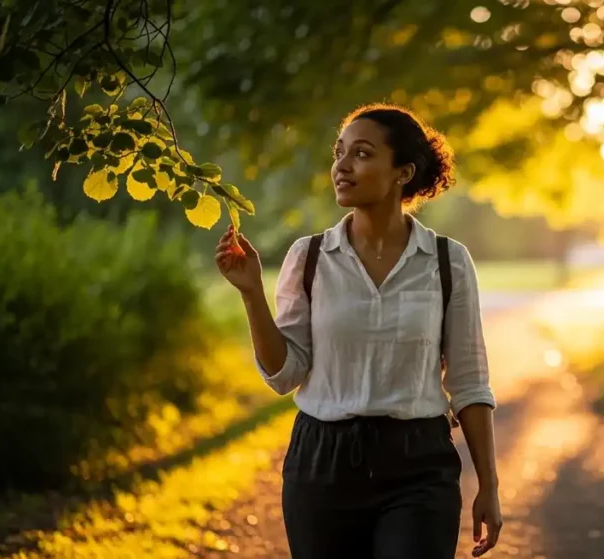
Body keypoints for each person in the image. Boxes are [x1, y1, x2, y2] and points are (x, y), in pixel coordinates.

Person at [215, 103, 502, 558]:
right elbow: (285, 374)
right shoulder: (308, 257)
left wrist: (489, 485)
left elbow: (469, 382)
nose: (342, 167)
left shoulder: (448, 262)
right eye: (339, 152)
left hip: (419, 465)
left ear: (402, 172)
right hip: (321, 464)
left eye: (362, 154)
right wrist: (251, 293)